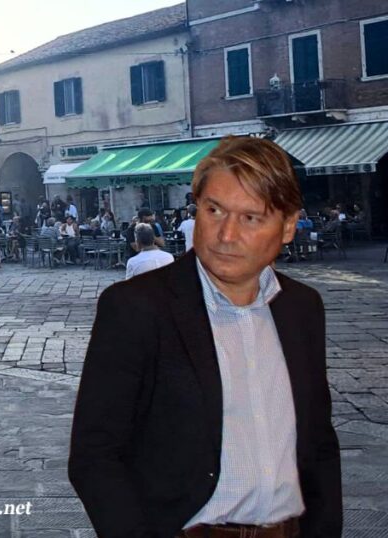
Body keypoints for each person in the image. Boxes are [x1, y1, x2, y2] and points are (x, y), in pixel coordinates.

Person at [69, 136, 342, 537]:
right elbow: (95, 454)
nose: (225, 234)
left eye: (250, 218)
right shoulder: (136, 308)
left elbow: (317, 439)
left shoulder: (302, 308)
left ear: (287, 227)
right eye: (213, 210)